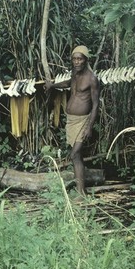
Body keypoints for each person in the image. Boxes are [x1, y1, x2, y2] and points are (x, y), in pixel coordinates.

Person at [45, 45, 100, 199]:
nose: (76, 62)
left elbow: (96, 105)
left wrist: (90, 127)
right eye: (74, 59)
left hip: (83, 120)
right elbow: (69, 83)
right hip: (71, 120)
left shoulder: (92, 79)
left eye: (80, 59)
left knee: (74, 153)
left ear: (85, 60)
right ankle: (81, 190)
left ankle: (81, 192)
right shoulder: (75, 73)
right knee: (77, 155)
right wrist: (53, 86)